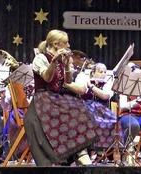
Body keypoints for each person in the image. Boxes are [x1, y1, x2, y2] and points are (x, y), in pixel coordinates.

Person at [24, 29, 98, 166]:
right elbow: (47, 78)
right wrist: (53, 61)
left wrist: (66, 66)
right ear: (56, 45)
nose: (69, 45)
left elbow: (68, 81)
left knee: (81, 107)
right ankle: (78, 154)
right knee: (75, 110)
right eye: (66, 43)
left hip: (55, 98)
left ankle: (80, 153)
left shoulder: (61, 60)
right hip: (43, 99)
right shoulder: (41, 58)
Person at [80, 63, 117, 154]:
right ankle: (89, 150)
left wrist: (91, 86)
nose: (104, 74)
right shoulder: (85, 80)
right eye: (100, 72)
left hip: (102, 110)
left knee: (114, 121)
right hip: (86, 108)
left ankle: (104, 150)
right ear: (93, 73)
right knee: (90, 120)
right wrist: (88, 83)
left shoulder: (108, 84)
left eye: (105, 71)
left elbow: (105, 96)